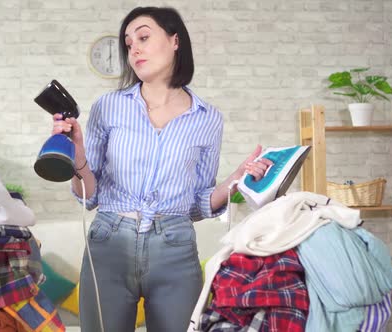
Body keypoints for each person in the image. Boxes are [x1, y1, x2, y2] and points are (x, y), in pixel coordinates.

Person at [51, 6, 272, 332]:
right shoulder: (108, 107)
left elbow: (197, 203)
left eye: (143, 37)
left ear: (174, 41)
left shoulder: (207, 118)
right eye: (128, 44)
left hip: (175, 247)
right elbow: (88, 195)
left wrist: (235, 179)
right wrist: (76, 152)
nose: (134, 49)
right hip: (109, 242)